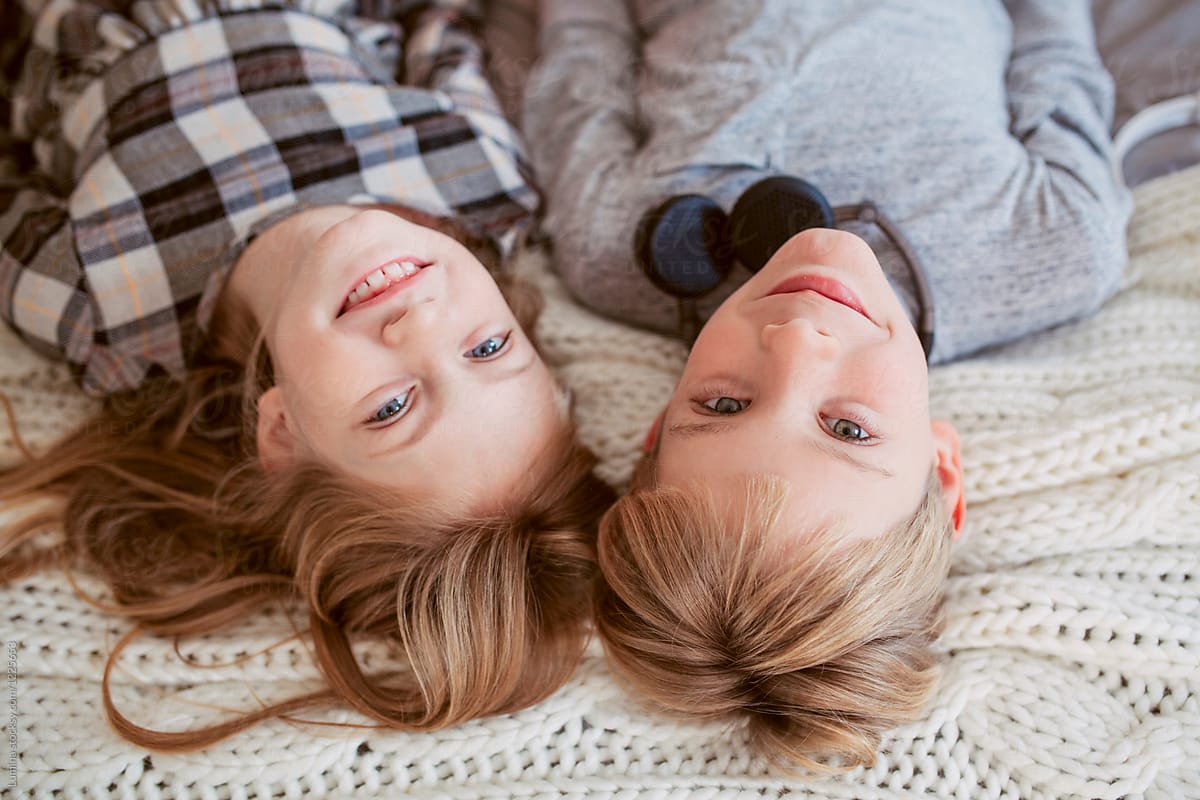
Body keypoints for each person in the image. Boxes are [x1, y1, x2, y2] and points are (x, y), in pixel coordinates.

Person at [522, 0, 1132, 771]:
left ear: (659, 424)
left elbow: (581, 49)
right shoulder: (1052, 248)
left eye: (723, 403)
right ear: (943, 477)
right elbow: (1057, 50)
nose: (798, 341)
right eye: (846, 429)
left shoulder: (619, 250)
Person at [0, 0, 614, 750]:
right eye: (487, 351)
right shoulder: (479, 180)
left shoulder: (106, 306)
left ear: (283, 432)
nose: (420, 324)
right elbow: (435, 29)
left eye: (391, 407)